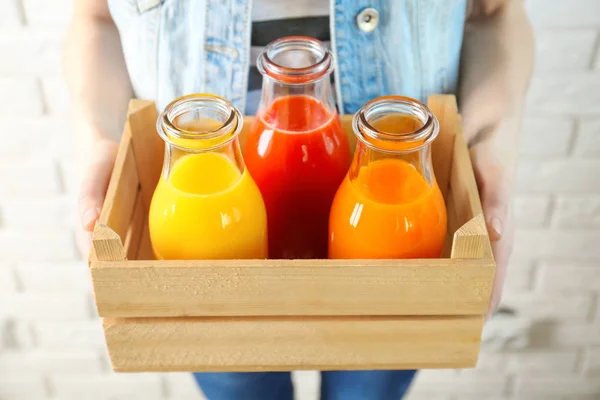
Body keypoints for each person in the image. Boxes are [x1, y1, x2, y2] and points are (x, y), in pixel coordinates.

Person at [65, 0, 533, 398]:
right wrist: (99, 138)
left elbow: (492, 14)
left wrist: (491, 143)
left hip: (393, 268)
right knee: (237, 384)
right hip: (205, 269)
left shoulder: (347, 164)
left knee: (370, 383)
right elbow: (97, 17)